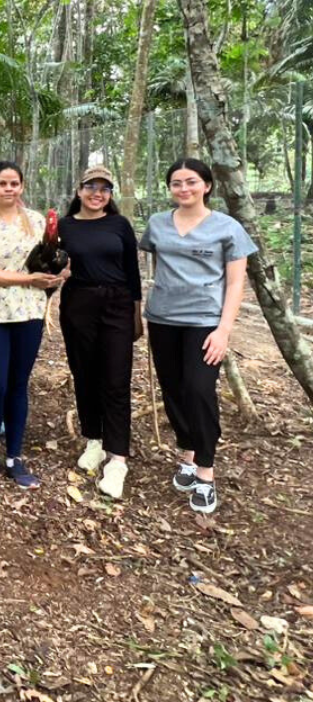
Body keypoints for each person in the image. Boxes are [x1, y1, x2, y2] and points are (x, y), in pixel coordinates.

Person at [139, 158, 256, 515]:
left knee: (200, 389)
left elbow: (236, 283)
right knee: (173, 388)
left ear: (206, 185)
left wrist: (223, 331)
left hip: (205, 322)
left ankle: (206, 471)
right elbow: (157, 265)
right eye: (176, 183)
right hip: (163, 320)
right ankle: (187, 454)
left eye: (191, 182)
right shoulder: (158, 223)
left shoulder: (227, 227)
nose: (184, 189)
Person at [0, 160, 61, 491]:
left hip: (30, 313)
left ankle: (14, 458)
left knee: (18, 385)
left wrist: (58, 274)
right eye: (2, 183)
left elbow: (53, 259)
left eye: (14, 184)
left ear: (22, 187)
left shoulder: (37, 221)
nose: (8, 189)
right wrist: (27, 278)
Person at [58, 165, 142, 499]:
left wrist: (136, 315)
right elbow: (51, 265)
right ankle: (93, 438)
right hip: (78, 302)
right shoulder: (64, 226)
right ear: (79, 191)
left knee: (116, 379)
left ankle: (117, 457)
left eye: (105, 189)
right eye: (91, 187)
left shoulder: (119, 225)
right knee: (84, 374)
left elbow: (133, 273)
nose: (98, 193)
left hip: (118, 305)